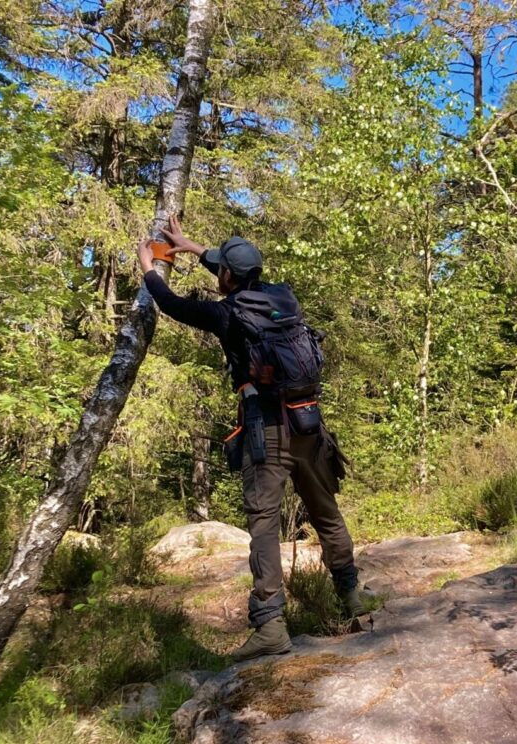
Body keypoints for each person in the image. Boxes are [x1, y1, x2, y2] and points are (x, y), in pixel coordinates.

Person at [137, 216, 368, 662]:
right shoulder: (284, 298)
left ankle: (271, 627)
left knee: (264, 525)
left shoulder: (225, 314)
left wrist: (149, 266)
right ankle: (352, 599)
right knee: (327, 512)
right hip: (309, 421)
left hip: (267, 428)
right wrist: (188, 246)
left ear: (227, 277)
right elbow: (237, 280)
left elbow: (171, 303)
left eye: (221, 268)